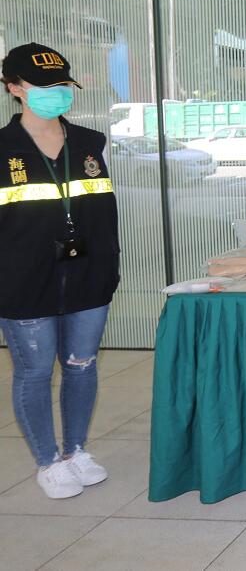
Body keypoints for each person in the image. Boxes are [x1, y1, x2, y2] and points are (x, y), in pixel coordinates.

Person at [0, 43, 119, 499]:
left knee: (81, 366)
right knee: (34, 373)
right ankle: (48, 461)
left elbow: (103, 214)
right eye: (45, 86)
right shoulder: (4, 149)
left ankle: (75, 451)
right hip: (23, 284)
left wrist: (108, 267)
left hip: (88, 278)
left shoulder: (89, 143)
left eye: (63, 85)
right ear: (15, 88)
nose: (58, 93)